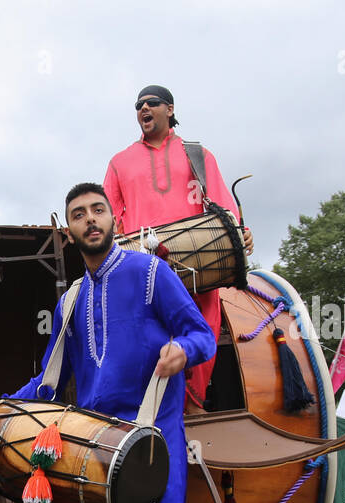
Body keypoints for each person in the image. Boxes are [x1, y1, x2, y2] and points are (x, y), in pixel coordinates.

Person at [11, 184, 216, 503]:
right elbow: (49, 382)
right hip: (95, 447)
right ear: (69, 231)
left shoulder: (151, 274)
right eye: (79, 215)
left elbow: (202, 335)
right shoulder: (70, 301)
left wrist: (181, 350)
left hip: (152, 439)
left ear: (113, 218)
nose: (90, 220)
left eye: (97, 210)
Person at [103, 86, 253, 410]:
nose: (144, 108)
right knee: (144, 337)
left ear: (169, 109)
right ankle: (150, 412)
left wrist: (241, 233)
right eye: (138, 105)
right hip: (143, 271)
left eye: (151, 103)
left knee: (199, 329)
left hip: (199, 268)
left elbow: (223, 205)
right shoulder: (119, 163)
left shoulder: (197, 154)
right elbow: (108, 219)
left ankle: (194, 407)